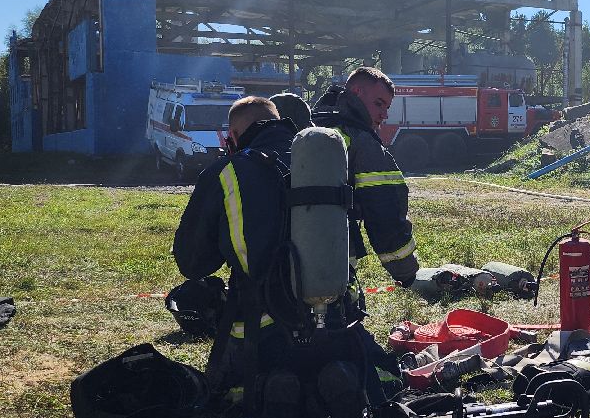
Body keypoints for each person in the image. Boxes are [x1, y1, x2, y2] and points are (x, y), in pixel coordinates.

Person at [172, 95, 298, 399]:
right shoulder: (325, 162)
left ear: (234, 136)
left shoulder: (227, 171)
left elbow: (192, 263)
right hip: (335, 322)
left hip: (264, 332)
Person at [311, 67, 420, 292]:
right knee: (335, 306)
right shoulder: (361, 141)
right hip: (335, 253)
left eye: (387, 107)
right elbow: (385, 208)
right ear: (357, 92)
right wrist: (406, 272)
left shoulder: (308, 125)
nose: (384, 114)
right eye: (379, 104)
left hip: (285, 255)